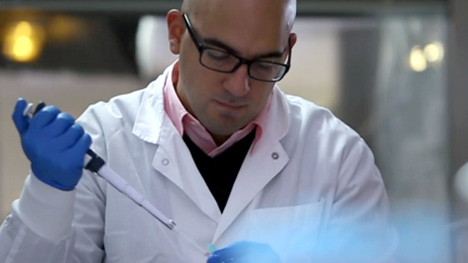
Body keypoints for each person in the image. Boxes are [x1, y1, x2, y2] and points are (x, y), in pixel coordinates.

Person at [0, 0, 399, 262]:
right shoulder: (106, 137)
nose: (239, 86)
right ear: (176, 33)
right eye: (220, 55)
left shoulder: (338, 155)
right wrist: (47, 193)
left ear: (288, 49)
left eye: (264, 63)